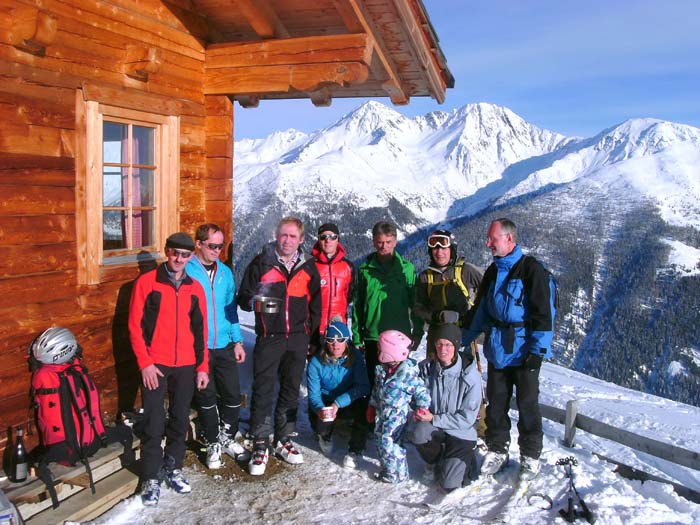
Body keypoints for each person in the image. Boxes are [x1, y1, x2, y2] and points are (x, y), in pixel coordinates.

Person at [462, 218, 554, 481]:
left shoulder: (531, 271)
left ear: (509, 239)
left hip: (524, 352)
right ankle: (498, 448)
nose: (488, 243)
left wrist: (538, 352)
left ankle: (530, 456)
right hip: (498, 349)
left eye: (492, 239)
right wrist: (462, 340)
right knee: (496, 403)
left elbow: (543, 315)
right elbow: (480, 311)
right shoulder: (492, 271)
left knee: (527, 405)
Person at [128, 232, 209, 506]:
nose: (179, 259)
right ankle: (151, 476)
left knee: (179, 418)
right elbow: (134, 327)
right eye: (175, 253)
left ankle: (174, 468)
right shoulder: (147, 283)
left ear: (190, 257)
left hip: (186, 364)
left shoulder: (195, 287)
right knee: (152, 420)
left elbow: (201, 332)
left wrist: (202, 368)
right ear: (166, 252)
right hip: (156, 364)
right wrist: (145, 363)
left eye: (185, 255)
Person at [237, 217, 322, 476]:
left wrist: (312, 338)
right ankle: (260, 442)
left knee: (290, 388)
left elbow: (315, 306)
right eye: (283, 235)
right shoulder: (262, 262)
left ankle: (284, 438)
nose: (287, 240)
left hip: (297, 338)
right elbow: (244, 299)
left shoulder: (308, 267)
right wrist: (266, 307)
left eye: (292, 236)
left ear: (301, 240)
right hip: (269, 337)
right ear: (276, 235)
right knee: (262, 389)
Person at [187, 223, 246, 469]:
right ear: (198, 244)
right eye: (212, 246)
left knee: (232, 395)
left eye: (220, 246)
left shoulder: (225, 272)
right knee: (207, 396)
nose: (217, 251)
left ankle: (227, 437)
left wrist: (238, 340)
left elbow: (231, 309)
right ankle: (212, 441)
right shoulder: (186, 270)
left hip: (223, 343)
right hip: (197, 346)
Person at [411, 324, 482, 500]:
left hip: (461, 432)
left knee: (450, 485)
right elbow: (415, 395)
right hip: (436, 426)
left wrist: (434, 418)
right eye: (440, 344)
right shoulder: (427, 368)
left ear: (456, 346)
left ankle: (467, 461)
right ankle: (434, 461)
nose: (443, 349)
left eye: (448, 345)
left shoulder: (470, 375)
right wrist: (418, 408)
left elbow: (467, 419)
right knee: (418, 433)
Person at [352, 221, 422, 389]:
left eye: (388, 242)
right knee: (374, 384)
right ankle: (373, 415)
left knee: (399, 385)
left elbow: (416, 303)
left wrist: (418, 331)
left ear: (395, 241)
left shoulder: (407, 269)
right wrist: (357, 334)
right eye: (380, 242)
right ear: (373, 242)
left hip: (399, 337)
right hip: (373, 336)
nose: (384, 246)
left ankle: (397, 415)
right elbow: (358, 304)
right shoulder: (365, 270)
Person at [366, 330, 431, 484]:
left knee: (388, 442)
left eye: (379, 349)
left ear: (389, 352)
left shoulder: (407, 373)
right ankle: (388, 468)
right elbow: (376, 390)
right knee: (379, 439)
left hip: (397, 415)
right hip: (382, 412)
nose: (377, 352)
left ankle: (398, 473)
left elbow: (421, 391)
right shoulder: (382, 370)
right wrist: (372, 405)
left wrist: (423, 407)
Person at [306, 316, 369, 469]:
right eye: (331, 340)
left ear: (346, 340)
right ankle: (324, 435)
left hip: (346, 400)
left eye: (340, 340)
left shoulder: (356, 357)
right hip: (326, 400)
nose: (335, 345)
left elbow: (363, 386)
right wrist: (320, 409)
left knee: (365, 407)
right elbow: (313, 394)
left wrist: (338, 403)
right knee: (321, 421)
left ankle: (356, 449)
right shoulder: (316, 362)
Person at [414, 229, 483, 356]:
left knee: (464, 373)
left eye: (444, 248)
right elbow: (418, 308)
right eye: (435, 249)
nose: (439, 252)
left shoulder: (465, 271)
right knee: (435, 373)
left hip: (463, 334)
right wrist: (437, 316)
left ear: (452, 250)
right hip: (437, 336)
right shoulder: (425, 277)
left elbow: (488, 292)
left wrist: (472, 317)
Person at [312, 223, 354, 335]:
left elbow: (349, 296)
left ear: (338, 239)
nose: (328, 240)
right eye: (323, 237)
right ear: (318, 240)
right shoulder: (310, 266)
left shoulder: (348, 267)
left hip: (338, 328)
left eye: (333, 236)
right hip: (314, 330)